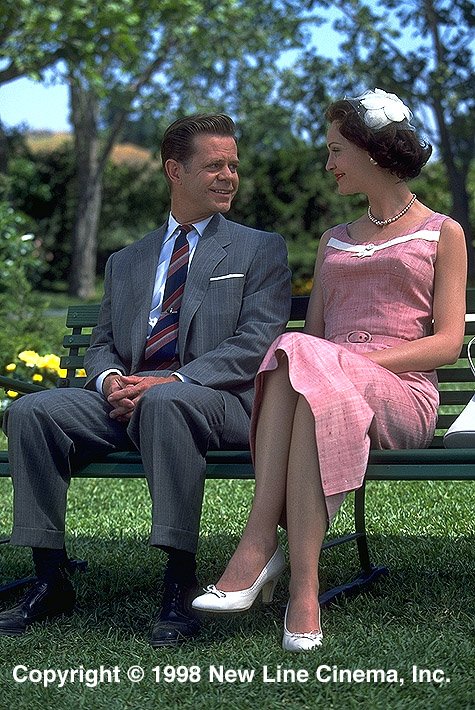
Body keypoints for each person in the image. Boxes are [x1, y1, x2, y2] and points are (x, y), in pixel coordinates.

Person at [0, 113, 292, 645]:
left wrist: (173, 381)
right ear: (174, 171)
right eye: (215, 166)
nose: (229, 176)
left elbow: (256, 343)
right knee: (31, 411)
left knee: (166, 403)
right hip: (131, 398)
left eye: (233, 166)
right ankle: (50, 577)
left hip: (220, 401)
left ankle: (179, 581)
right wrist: (111, 380)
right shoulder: (127, 261)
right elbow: (103, 343)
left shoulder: (259, 248)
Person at [192, 89, 467, 651]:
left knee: (301, 356)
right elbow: (314, 336)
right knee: (300, 357)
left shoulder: (443, 232)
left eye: (337, 150)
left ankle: (258, 545)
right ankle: (304, 590)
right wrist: (333, 363)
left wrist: (353, 360)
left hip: (401, 394)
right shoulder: (333, 240)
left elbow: (445, 344)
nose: (328, 163)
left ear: (373, 150)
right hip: (323, 384)